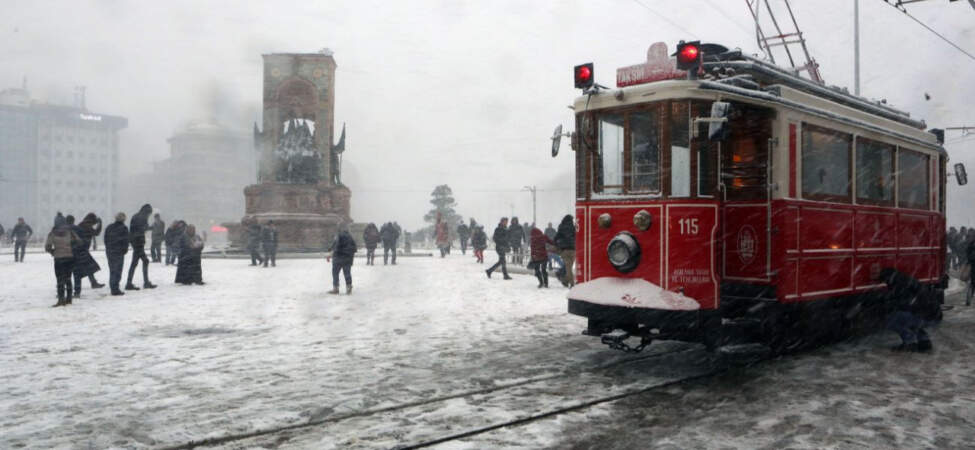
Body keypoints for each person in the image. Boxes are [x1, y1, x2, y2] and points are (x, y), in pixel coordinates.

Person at [879, 268, 940, 352]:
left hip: (925, 316)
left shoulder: (899, 285)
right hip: (935, 315)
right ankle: (924, 341)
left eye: (885, 281)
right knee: (911, 318)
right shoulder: (906, 279)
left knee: (891, 319)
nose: (885, 283)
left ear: (888, 278)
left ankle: (909, 343)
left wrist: (887, 305)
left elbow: (904, 304)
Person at [45, 215, 81, 307]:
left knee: (60, 279)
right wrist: (71, 248)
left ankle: (61, 299)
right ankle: (69, 298)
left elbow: (47, 246)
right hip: (69, 257)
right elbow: (79, 242)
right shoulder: (70, 232)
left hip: (58, 258)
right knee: (68, 278)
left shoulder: (52, 233)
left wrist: (53, 252)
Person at [70, 213, 105, 297]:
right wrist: (100, 224)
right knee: (86, 267)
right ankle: (91, 283)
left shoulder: (83, 224)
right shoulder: (87, 225)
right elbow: (96, 233)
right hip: (82, 249)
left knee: (89, 267)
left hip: (80, 248)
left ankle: (93, 282)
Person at [125, 204, 156, 290]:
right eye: (149, 213)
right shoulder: (143, 217)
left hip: (135, 242)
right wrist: (151, 227)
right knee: (144, 261)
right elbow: (142, 228)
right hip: (138, 242)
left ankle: (129, 282)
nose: (149, 215)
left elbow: (134, 229)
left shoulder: (135, 216)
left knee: (135, 263)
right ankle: (144, 283)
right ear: (147, 211)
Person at [104, 213, 129, 296]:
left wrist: (108, 248)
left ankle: (113, 287)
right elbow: (125, 241)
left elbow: (105, 239)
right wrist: (124, 250)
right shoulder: (124, 228)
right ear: (123, 219)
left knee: (112, 270)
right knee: (117, 271)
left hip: (110, 251)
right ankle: (115, 288)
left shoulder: (109, 227)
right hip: (118, 252)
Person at [327, 224, 357, 294]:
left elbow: (335, 246)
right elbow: (354, 248)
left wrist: (330, 253)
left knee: (335, 273)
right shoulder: (350, 237)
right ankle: (349, 287)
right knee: (347, 273)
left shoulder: (338, 236)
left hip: (338, 258)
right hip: (347, 259)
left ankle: (336, 288)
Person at [554, 214, 576, 287]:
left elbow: (557, 237)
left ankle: (567, 281)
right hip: (573, 249)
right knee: (569, 267)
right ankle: (569, 282)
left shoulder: (562, 227)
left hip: (565, 250)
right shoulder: (573, 227)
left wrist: (556, 244)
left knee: (568, 268)